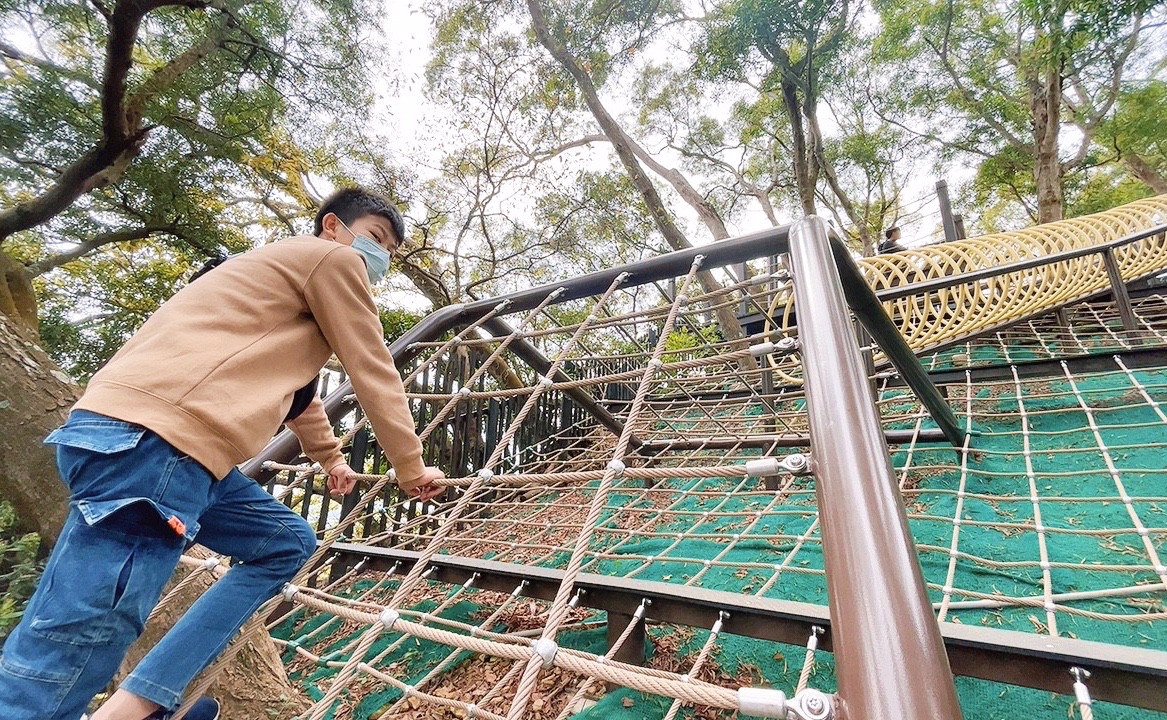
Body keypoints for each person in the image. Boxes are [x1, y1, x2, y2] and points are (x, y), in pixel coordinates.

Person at [0, 187, 444, 720]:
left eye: (390, 252)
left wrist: (331, 459)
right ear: (332, 226)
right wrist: (410, 465)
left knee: (284, 542)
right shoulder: (330, 258)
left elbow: (298, 397)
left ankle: (138, 704)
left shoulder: (267, 284)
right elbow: (372, 366)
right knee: (85, 623)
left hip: (153, 441)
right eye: (375, 239)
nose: (380, 258)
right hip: (162, 443)